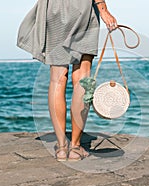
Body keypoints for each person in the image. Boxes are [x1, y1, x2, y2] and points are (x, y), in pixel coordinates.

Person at [17, 0, 118, 161]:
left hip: (54, 9)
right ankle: (75, 148)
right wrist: (102, 8)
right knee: (81, 77)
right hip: (82, 8)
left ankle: (62, 148)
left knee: (57, 78)